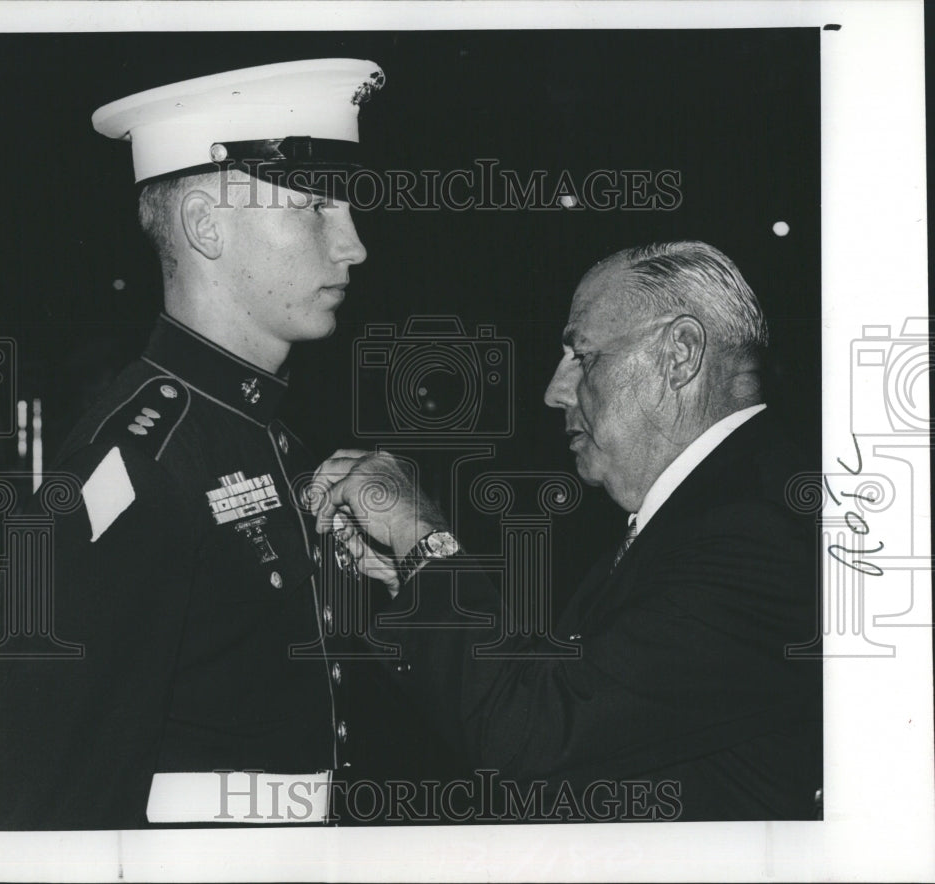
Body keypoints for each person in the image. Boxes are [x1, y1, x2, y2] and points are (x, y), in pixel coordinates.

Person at [0, 58, 386, 829]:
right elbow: (48, 808)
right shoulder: (135, 470)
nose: (353, 246)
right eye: (313, 209)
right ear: (205, 225)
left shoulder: (270, 440)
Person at [309, 241, 823, 821]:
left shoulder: (757, 532)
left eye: (583, 356)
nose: (554, 391)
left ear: (680, 353)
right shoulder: (719, 507)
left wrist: (423, 535)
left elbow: (531, 736)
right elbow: (558, 696)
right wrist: (417, 576)